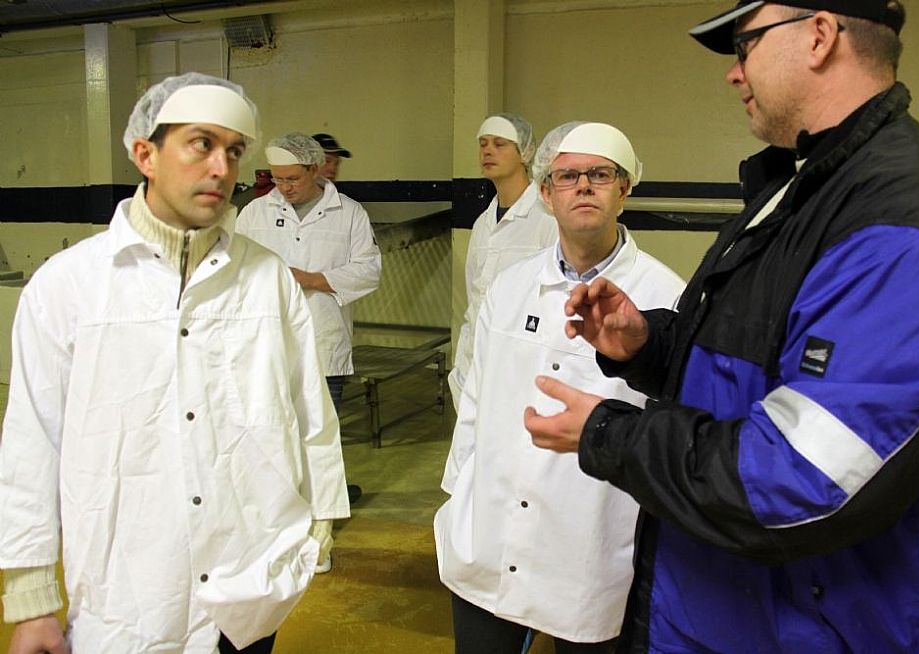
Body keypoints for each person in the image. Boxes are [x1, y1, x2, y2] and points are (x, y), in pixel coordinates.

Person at [525, 1, 919, 652]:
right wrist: (649, 344)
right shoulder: (800, 188)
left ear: (820, 36)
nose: (733, 74)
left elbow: (807, 478)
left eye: (746, 47)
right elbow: (759, 361)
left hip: (829, 624)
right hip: (734, 608)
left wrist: (608, 435)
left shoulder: (898, 222)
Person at [0, 72, 350, 654]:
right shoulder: (69, 286)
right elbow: (32, 443)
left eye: (233, 151)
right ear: (146, 154)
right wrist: (31, 598)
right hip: (131, 596)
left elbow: (310, 410)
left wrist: (318, 527)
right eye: (201, 144)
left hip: (248, 590)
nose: (221, 167)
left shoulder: (266, 278)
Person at [435, 122, 685, 654]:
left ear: (625, 189)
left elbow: (672, 428)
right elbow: (474, 400)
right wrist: (459, 497)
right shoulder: (510, 287)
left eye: (600, 174)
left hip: (589, 546)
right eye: (567, 176)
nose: (583, 185)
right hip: (489, 535)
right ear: (546, 194)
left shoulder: (666, 296)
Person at [236, 133, 381, 568]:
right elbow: (234, 270)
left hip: (323, 343)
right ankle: (277, 528)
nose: (285, 188)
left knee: (319, 442)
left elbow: (369, 270)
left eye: (293, 179)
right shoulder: (253, 214)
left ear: (316, 170)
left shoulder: (349, 213)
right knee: (268, 438)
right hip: (266, 347)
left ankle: (319, 536)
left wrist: (311, 279)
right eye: (278, 179)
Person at [447, 113, 558, 409]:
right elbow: (475, 296)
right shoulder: (483, 224)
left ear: (525, 152)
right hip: (476, 361)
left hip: (524, 364)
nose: (487, 151)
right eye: (483, 144)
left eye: (499, 144)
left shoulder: (547, 218)